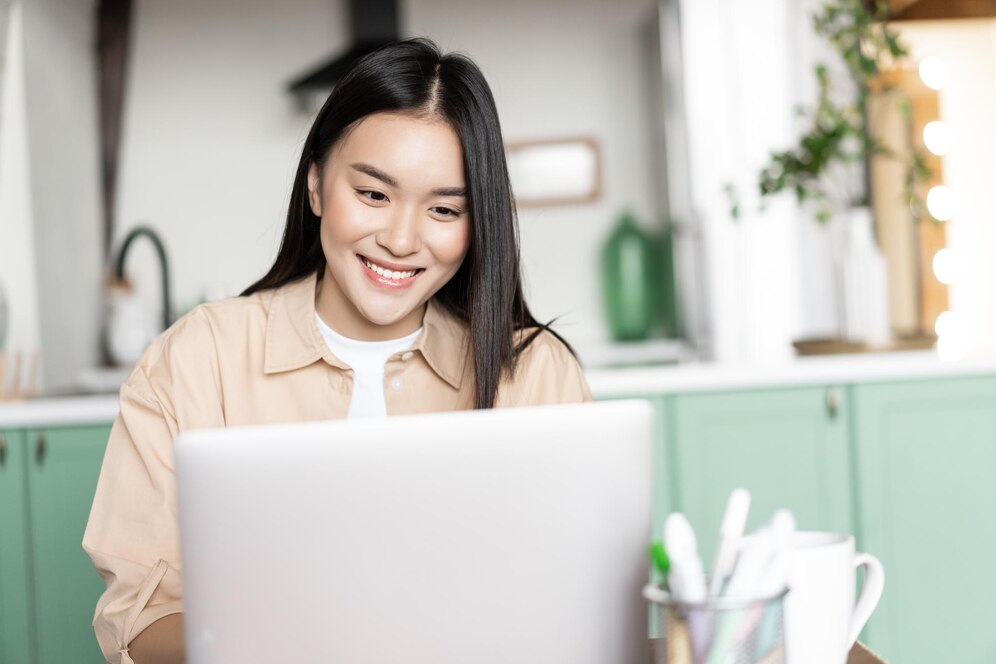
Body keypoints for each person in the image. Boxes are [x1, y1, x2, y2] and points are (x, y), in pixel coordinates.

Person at [83, 38, 590, 664]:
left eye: (443, 209)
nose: (401, 239)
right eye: (373, 195)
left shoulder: (536, 375)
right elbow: (138, 620)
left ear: (475, 222)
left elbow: (576, 604)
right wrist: (287, 638)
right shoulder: (197, 358)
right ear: (318, 186)